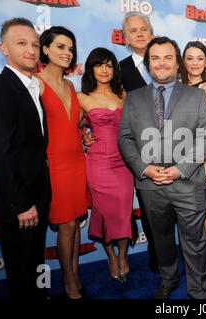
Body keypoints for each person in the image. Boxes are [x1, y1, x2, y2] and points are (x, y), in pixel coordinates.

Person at [118, 36, 206, 299]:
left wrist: (180, 168)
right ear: (148, 63)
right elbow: (124, 138)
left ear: (178, 62)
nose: (162, 63)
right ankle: (169, 279)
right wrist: (143, 168)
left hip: (188, 182)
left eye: (168, 57)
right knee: (161, 240)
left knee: (194, 245)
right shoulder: (133, 98)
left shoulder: (196, 95)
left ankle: (199, 293)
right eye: (155, 58)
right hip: (150, 185)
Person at [0, 17, 51, 299]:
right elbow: (0, 154)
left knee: (35, 265)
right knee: (22, 274)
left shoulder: (31, 87)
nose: (31, 50)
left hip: (37, 196)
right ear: (3, 48)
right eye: (21, 43)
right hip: (18, 205)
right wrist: (21, 205)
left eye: (34, 44)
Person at [35, 26, 87, 299]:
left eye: (70, 48)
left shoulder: (69, 85)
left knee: (76, 222)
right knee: (66, 225)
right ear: (44, 49)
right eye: (60, 47)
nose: (67, 53)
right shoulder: (35, 84)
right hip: (53, 165)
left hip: (77, 161)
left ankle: (75, 274)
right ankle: (68, 281)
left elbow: (75, 124)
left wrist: (85, 136)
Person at [78, 48, 134, 283]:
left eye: (109, 65)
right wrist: (83, 137)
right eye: (99, 65)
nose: (104, 70)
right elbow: (74, 126)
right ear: (91, 68)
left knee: (122, 211)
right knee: (104, 211)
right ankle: (111, 255)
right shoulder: (82, 97)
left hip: (123, 162)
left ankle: (123, 255)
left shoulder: (124, 94)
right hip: (98, 162)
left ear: (114, 69)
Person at [117, 11, 158, 273]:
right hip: (142, 150)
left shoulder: (167, 61)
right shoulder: (119, 70)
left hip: (177, 145)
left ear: (152, 33)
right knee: (150, 208)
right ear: (126, 38)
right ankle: (157, 256)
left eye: (144, 29)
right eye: (133, 30)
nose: (140, 34)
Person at [181, 40, 206, 242]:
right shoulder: (177, 87)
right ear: (183, 62)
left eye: (200, 58)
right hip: (178, 157)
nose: (194, 63)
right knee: (185, 214)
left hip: (199, 159)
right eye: (190, 58)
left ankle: (198, 259)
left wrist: (205, 164)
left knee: (199, 213)